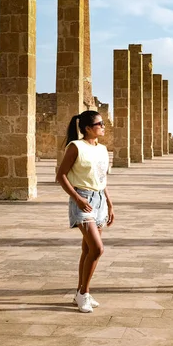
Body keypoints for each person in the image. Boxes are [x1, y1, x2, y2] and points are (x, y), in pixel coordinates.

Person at [56, 110, 114, 313]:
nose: (104, 126)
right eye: (100, 123)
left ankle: (80, 293)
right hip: (83, 199)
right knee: (97, 249)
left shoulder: (103, 149)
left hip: (99, 201)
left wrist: (109, 202)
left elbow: (101, 178)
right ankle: (84, 293)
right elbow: (61, 175)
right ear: (88, 128)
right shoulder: (75, 147)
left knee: (87, 250)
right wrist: (78, 199)